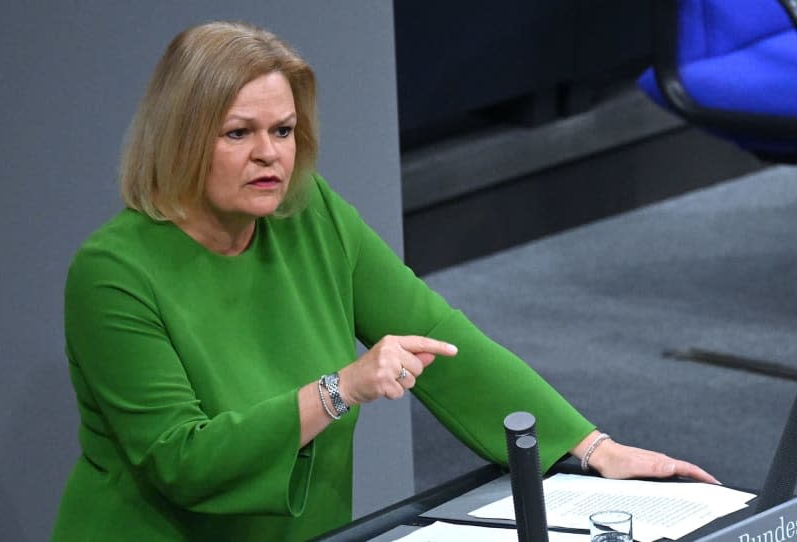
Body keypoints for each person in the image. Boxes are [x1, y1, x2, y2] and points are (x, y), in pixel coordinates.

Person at [52, 20, 718, 542]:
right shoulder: (113, 275)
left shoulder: (308, 214)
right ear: (182, 140)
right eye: (238, 133)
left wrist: (590, 447)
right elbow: (183, 462)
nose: (269, 154)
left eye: (283, 130)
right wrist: (340, 389)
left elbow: (437, 338)